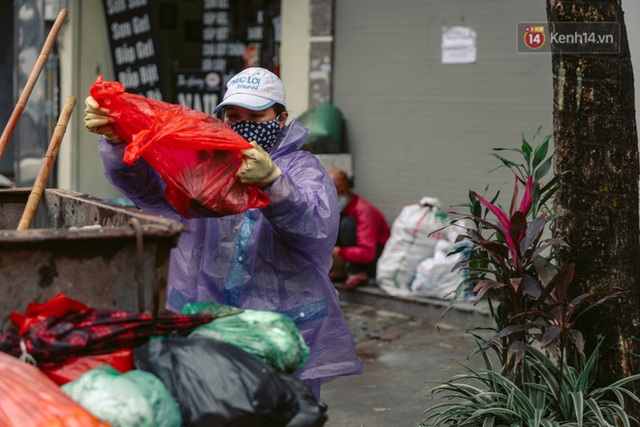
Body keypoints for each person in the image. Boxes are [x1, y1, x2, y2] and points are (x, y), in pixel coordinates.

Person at [83, 67, 363, 399]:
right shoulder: (204, 163)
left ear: (281, 117)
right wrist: (117, 142)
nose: (243, 124)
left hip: (281, 328)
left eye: (257, 115)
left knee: (282, 414)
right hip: (208, 319)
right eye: (233, 115)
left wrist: (273, 183)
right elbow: (148, 188)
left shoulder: (303, 169)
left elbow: (315, 231)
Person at [329, 168, 391, 289]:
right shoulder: (340, 210)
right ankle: (342, 271)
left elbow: (367, 252)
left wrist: (340, 252)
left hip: (376, 258)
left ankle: (358, 271)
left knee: (346, 224)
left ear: (344, 193)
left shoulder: (363, 210)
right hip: (357, 255)